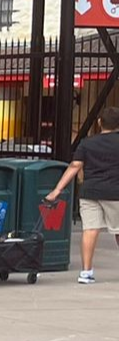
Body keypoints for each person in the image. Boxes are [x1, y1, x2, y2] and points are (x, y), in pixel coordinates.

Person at [47, 106, 119, 282]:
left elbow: (75, 166)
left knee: (90, 230)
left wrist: (57, 190)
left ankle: (86, 272)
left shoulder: (87, 143)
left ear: (99, 122)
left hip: (89, 192)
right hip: (115, 192)